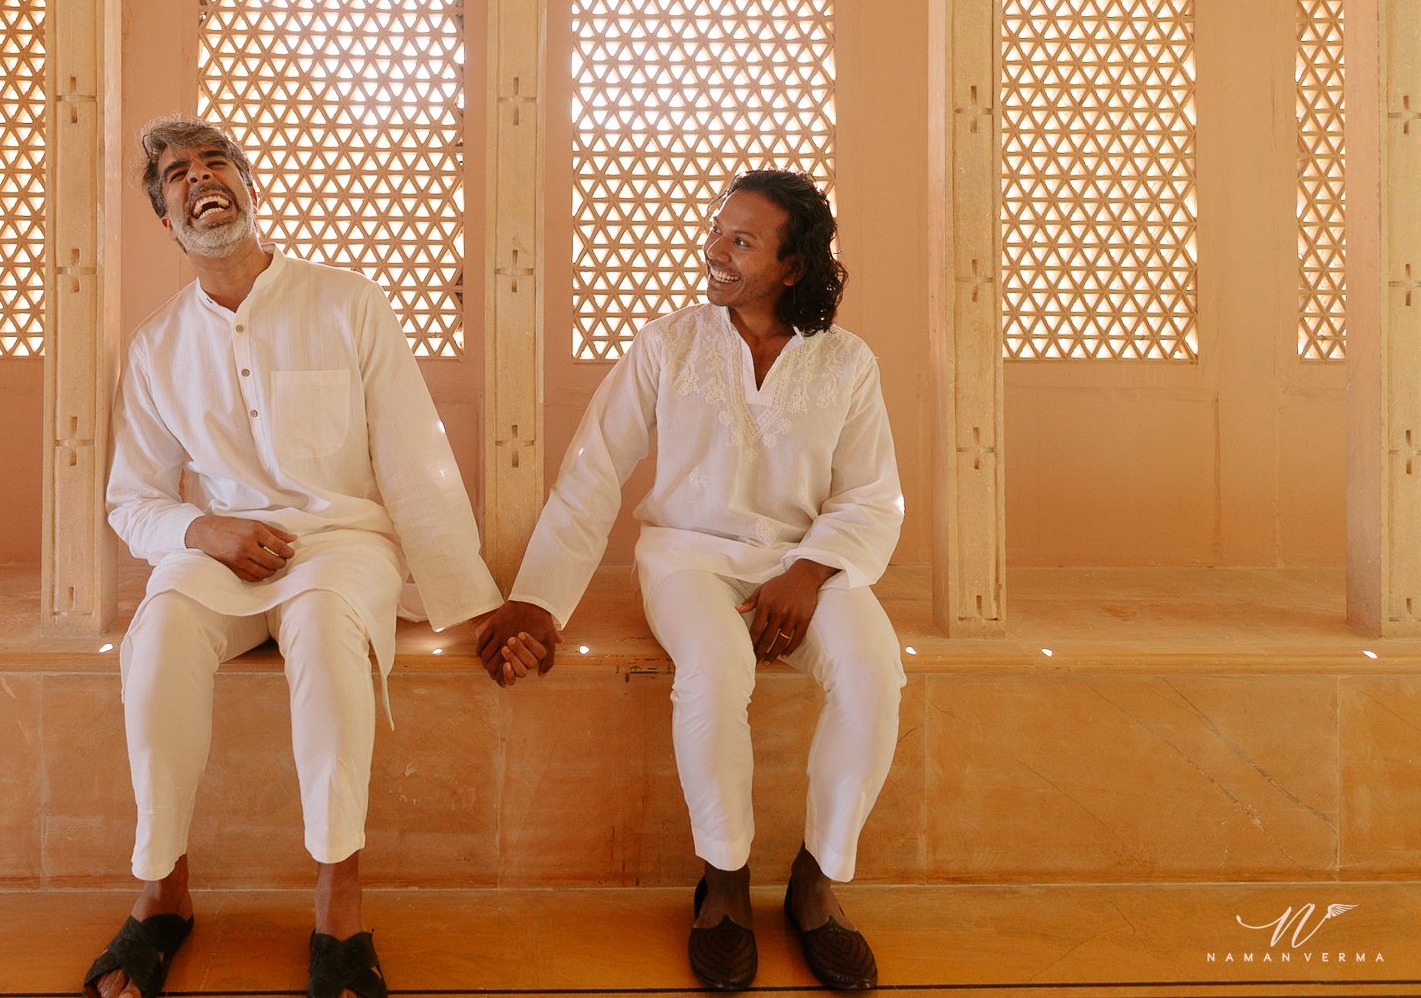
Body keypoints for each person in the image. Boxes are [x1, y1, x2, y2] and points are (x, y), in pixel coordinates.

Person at [87, 117, 501, 998]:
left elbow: (411, 455)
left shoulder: (348, 302)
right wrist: (206, 532)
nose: (202, 179)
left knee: (320, 623)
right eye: (177, 175)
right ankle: (163, 891)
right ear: (166, 218)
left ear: (246, 183)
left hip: (343, 546)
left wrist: (470, 602)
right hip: (222, 549)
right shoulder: (158, 349)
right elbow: (135, 500)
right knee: (156, 634)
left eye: (217, 163)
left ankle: (337, 903)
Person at [477, 170, 904, 993]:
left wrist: (810, 570)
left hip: (809, 560)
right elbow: (595, 469)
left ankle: (817, 881)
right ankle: (728, 884)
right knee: (715, 669)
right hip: (686, 557)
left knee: (875, 673)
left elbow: (869, 494)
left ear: (793, 265)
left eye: (741, 241)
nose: (715, 250)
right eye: (718, 230)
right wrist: (539, 596)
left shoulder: (847, 362)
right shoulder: (668, 344)